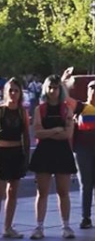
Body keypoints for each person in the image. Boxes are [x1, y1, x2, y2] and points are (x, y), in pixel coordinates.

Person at [61, 69, 95, 231]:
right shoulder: (81, 107)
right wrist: (63, 82)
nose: (93, 91)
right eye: (91, 88)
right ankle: (86, 218)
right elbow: (64, 98)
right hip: (83, 150)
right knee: (86, 184)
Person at [28, 75, 78, 239]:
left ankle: (66, 226)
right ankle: (39, 227)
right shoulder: (39, 109)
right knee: (41, 192)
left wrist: (50, 133)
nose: (52, 91)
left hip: (62, 152)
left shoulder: (67, 110)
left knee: (63, 191)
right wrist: (56, 130)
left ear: (60, 89)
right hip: (44, 153)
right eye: (50, 87)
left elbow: (67, 134)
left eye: (55, 87)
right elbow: (38, 132)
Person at [0, 78, 30, 238]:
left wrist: (26, 156)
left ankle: (8, 227)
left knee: (12, 192)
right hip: (1, 153)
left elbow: (26, 134)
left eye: (16, 90)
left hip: (16, 153)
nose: (13, 93)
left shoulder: (22, 112)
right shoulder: (1, 110)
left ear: (20, 93)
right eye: (10, 90)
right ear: (5, 92)